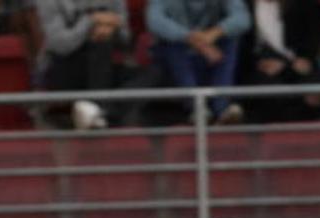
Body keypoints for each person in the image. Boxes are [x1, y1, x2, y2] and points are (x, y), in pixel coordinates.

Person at [147, 0, 251, 125]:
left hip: (212, 48)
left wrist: (213, 34)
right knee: (171, 45)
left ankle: (222, 107)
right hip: (178, 51)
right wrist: (193, 40)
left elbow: (242, 19)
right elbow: (154, 21)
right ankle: (197, 108)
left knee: (231, 40)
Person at [37, 0, 130, 129]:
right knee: (99, 47)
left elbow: (126, 38)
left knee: (148, 76)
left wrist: (111, 29)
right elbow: (60, 46)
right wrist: (91, 21)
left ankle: (97, 114)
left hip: (105, 67)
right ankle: (100, 112)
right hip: (65, 67)